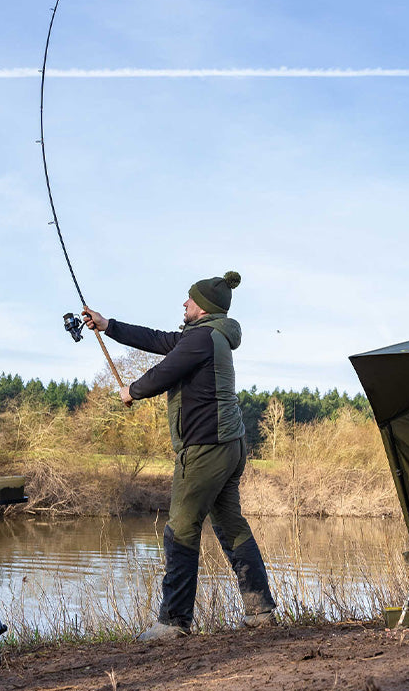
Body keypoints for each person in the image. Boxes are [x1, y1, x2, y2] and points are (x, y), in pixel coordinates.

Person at [82, 271, 277, 641]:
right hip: (229, 445)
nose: (184, 303)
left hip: (205, 447)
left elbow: (166, 370)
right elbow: (159, 341)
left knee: (181, 528)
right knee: (231, 524)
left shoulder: (202, 337)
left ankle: (173, 622)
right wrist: (109, 326)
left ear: (203, 306)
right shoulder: (209, 335)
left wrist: (132, 391)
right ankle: (260, 610)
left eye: (189, 299)